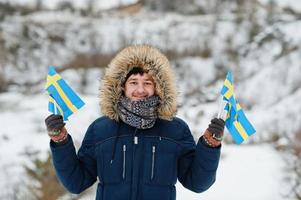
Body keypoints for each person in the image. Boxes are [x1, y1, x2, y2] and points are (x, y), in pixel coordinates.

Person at [45, 44, 225, 200]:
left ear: (158, 87)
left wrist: (209, 145)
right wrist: (60, 142)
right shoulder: (100, 129)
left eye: (147, 82)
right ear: (121, 86)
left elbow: (197, 183)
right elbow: (76, 182)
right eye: (133, 82)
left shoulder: (175, 129)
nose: (140, 89)